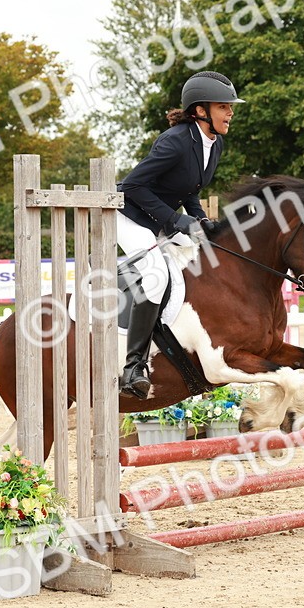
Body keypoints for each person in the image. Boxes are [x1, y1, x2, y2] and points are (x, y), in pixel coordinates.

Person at [115, 71, 244, 399]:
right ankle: (133, 367)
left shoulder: (214, 144)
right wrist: (175, 220)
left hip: (159, 219)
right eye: (223, 106)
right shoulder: (175, 141)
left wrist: (200, 219)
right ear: (201, 111)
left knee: (201, 259)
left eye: (230, 107)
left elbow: (189, 189)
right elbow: (132, 186)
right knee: (157, 277)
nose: (230, 112)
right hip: (128, 217)